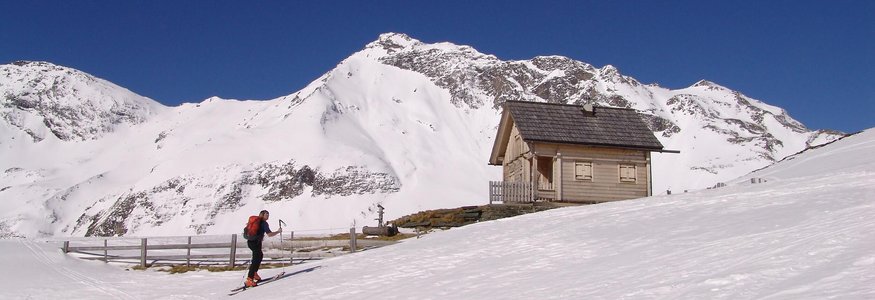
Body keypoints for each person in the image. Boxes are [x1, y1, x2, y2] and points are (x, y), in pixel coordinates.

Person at [246, 210, 281, 287]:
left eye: (268, 214)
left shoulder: (256, 221)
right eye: (266, 215)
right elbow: (269, 234)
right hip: (255, 243)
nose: (268, 216)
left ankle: (254, 273)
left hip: (251, 242)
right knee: (255, 259)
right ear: (262, 215)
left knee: (259, 256)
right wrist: (278, 232)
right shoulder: (264, 223)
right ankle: (249, 279)